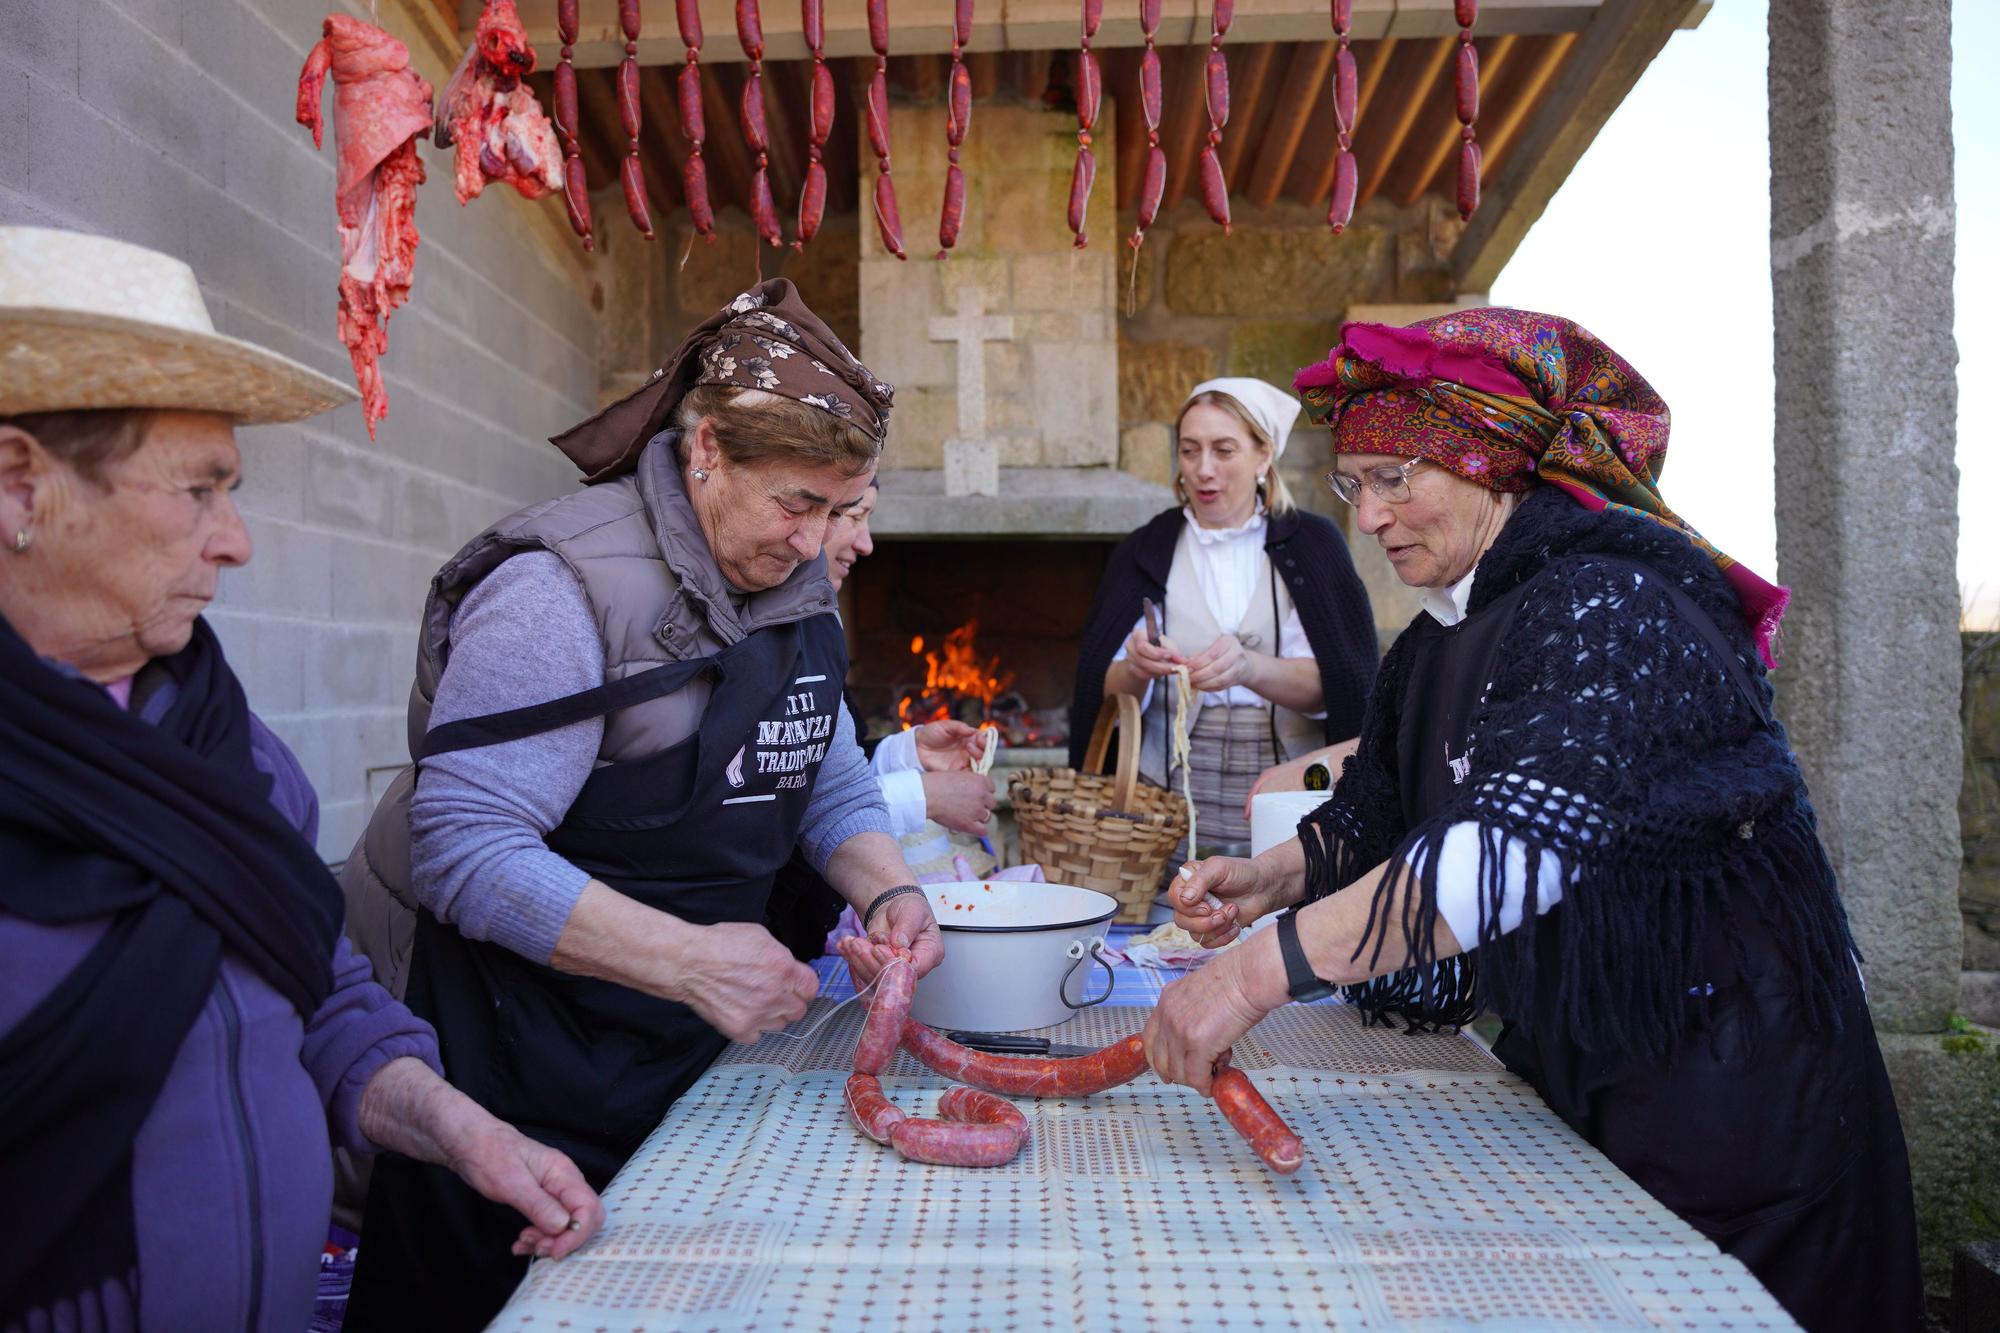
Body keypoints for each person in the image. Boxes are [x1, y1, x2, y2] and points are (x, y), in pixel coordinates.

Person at [1144, 310, 1922, 1330]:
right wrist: (1271, 877)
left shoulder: (1604, 600)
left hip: (1734, 1085)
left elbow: (1513, 847)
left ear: (1487, 465)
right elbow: (1378, 815)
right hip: (1594, 1055)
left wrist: (1251, 972)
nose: (1368, 517)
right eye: (1352, 482)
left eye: (1393, 479)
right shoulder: (1440, 636)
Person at [0, 226, 602, 1332]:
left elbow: (316, 994)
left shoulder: (226, 746)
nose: (236, 542)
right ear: (18, 487)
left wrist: (462, 1128)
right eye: (198, 490)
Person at [345, 279, 943, 1330]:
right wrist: (689, 959)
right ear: (704, 448)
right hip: (515, 1061)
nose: (816, 543)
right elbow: (463, 846)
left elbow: (823, 771)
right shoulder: (558, 590)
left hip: (677, 1059)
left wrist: (887, 885)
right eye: (796, 503)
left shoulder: (793, 585)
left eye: (839, 509)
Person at [1070, 377, 1376, 866]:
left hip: (1283, 786)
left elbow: (1341, 684)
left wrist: (1250, 668)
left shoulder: (1313, 546)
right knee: (1168, 924)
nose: (1204, 470)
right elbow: (1100, 690)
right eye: (1190, 451)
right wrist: (1138, 666)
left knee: (1273, 909)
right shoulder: (1146, 549)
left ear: (1263, 454)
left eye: (1224, 450)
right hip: (1161, 792)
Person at [763, 477, 996, 961]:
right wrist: (919, 797)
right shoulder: (766, 626)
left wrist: (904, 752)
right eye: (854, 515)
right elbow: (773, 799)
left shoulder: (816, 620)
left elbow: (818, 758)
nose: (866, 543)